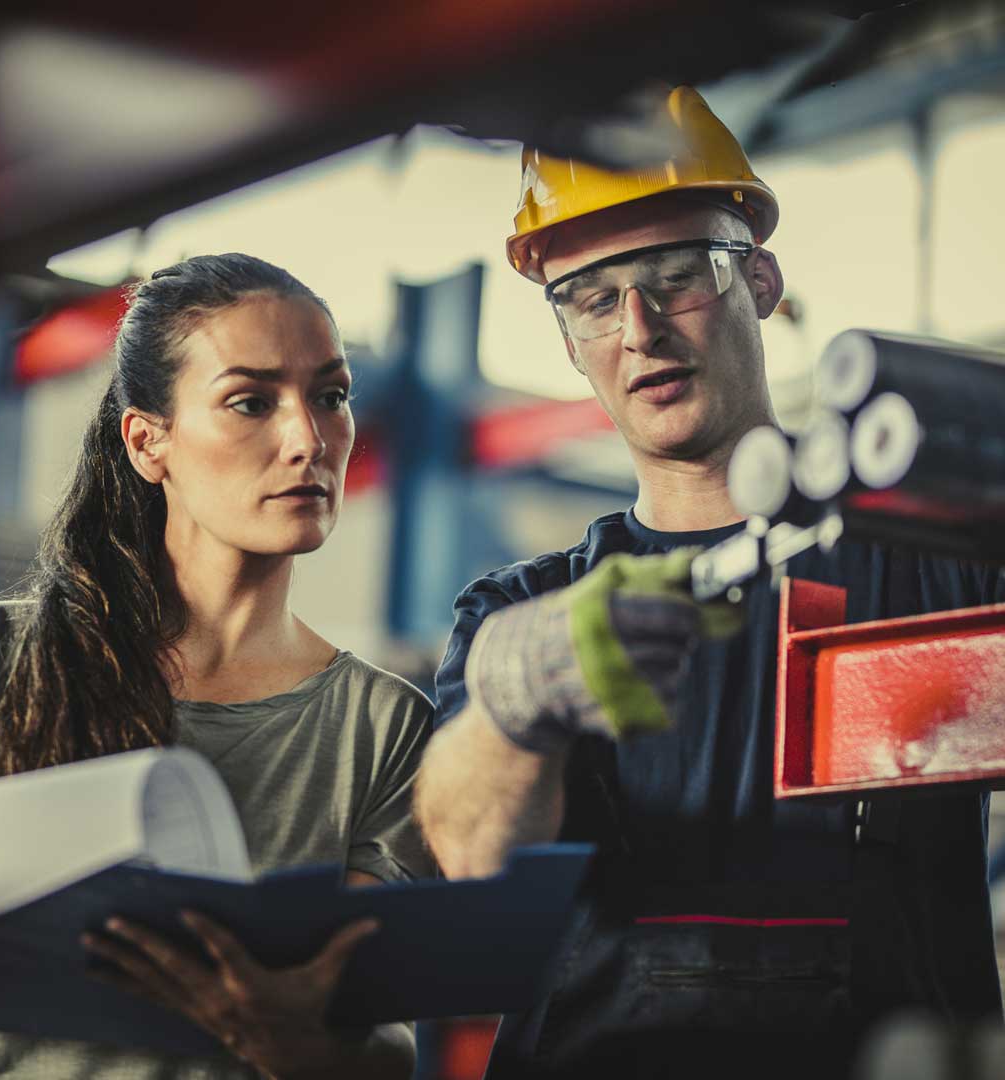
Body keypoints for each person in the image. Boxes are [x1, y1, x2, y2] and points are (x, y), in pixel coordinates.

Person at [415, 86, 1004, 1079]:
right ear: (567, 341)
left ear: (760, 281)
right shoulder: (523, 611)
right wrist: (517, 707)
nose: (639, 329)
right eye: (593, 301)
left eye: (675, 276)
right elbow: (468, 861)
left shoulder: (936, 560)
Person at [0, 253, 433, 1079]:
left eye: (331, 395)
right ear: (149, 441)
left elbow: (380, 1042)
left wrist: (289, 1037)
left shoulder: (385, 727)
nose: (308, 438)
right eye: (250, 401)